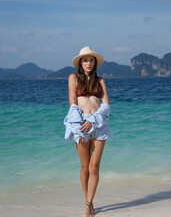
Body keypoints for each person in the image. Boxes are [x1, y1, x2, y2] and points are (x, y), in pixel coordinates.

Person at [64, 46, 111, 217]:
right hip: (81, 124)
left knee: (94, 166)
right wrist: (82, 122)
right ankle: (87, 200)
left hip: (98, 125)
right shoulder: (73, 78)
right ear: (80, 63)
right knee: (84, 167)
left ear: (95, 62)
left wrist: (93, 120)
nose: (88, 63)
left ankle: (89, 203)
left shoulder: (100, 81)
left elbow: (106, 105)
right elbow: (72, 102)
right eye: (85, 60)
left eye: (91, 60)